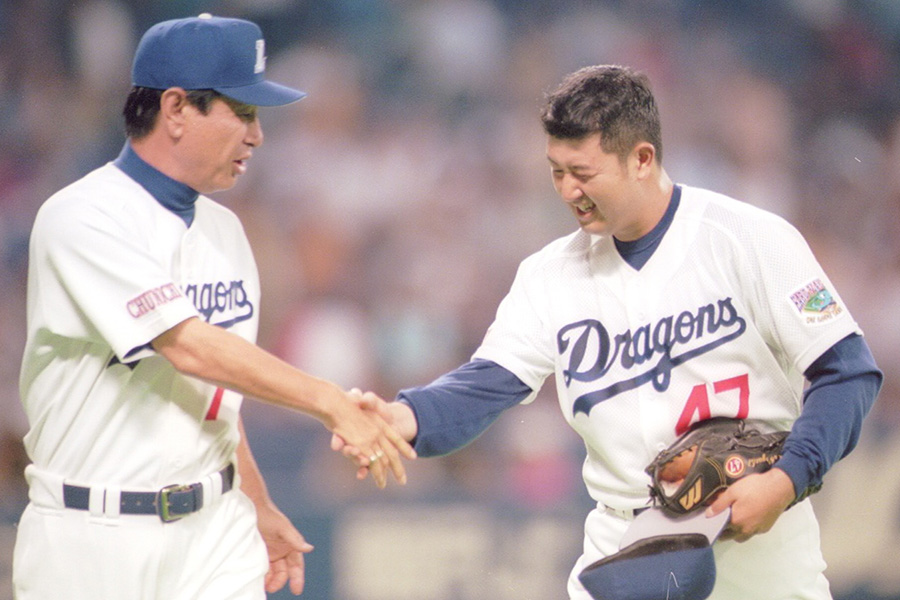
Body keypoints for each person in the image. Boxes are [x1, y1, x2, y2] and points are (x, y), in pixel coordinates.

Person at [339, 65, 882, 599]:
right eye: (556, 171)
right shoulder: (549, 276)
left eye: (583, 172)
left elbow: (848, 370)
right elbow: (486, 384)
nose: (567, 190)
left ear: (642, 158)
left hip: (757, 538)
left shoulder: (749, 239)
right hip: (629, 544)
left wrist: (788, 478)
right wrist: (404, 417)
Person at [13, 14, 415, 600]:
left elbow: (217, 396)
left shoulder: (225, 230)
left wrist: (255, 501)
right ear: (176, 109)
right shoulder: (83, 215)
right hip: (93, 533)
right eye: (243, 113)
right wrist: (329, 401)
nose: (257, 135)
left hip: (213, 532)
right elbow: (187, 346)